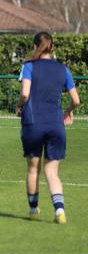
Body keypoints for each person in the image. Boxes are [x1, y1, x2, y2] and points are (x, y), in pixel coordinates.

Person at [16, 32, 80, 224]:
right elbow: (76, 100)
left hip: (33, 123)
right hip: (55, 124)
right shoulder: (63, 69)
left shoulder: (28, 66)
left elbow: (25, 94)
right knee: (52, 171)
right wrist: (67, 112)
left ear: (36, 46)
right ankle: (59, 211)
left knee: (33, 169)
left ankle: (33, 210)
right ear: (52, 47)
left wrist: (19, 105)